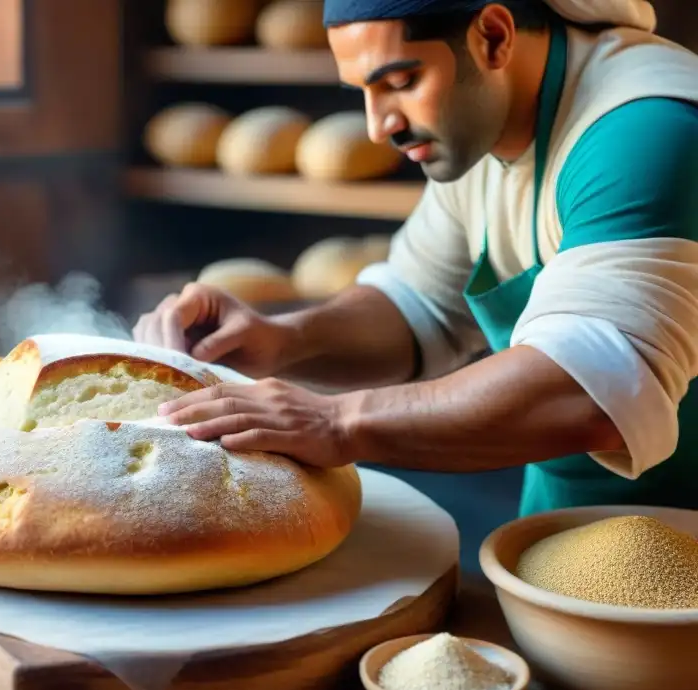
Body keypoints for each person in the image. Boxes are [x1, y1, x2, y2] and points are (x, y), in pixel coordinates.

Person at [133, 0, 698, 516]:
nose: (381, 126)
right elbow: (416, 306)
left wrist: (336, 420)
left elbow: (588, 391)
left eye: (401, 81)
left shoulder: (644, 131)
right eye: (363, 91)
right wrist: (282, 341)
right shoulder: (486, 124)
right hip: (570, 519)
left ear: (494, 38)